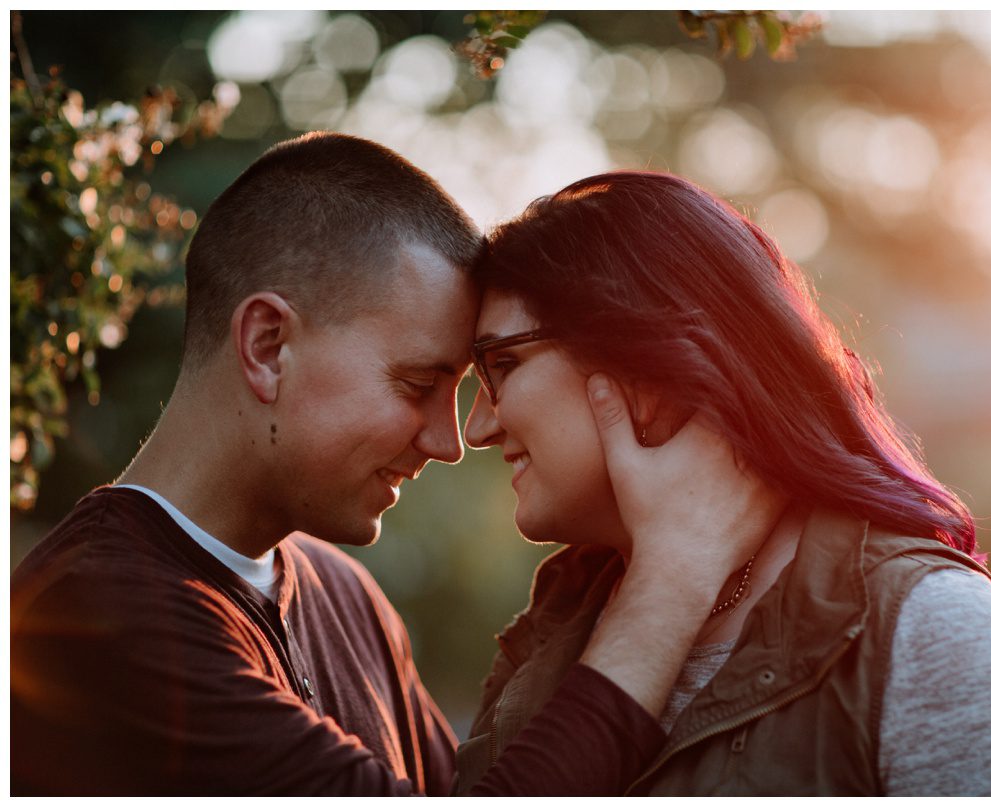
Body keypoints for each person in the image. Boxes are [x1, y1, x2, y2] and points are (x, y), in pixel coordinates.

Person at [10, 135, 780, 796]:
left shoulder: (344, 594)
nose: (449, 442)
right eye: (417, 385)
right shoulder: (91, 617)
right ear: (268, 346)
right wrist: (670, 582)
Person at [454, 171, 991, 796]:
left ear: (643, 362)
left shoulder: (930, 627)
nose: (477, 426)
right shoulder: (554, 624)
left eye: (502, 364)